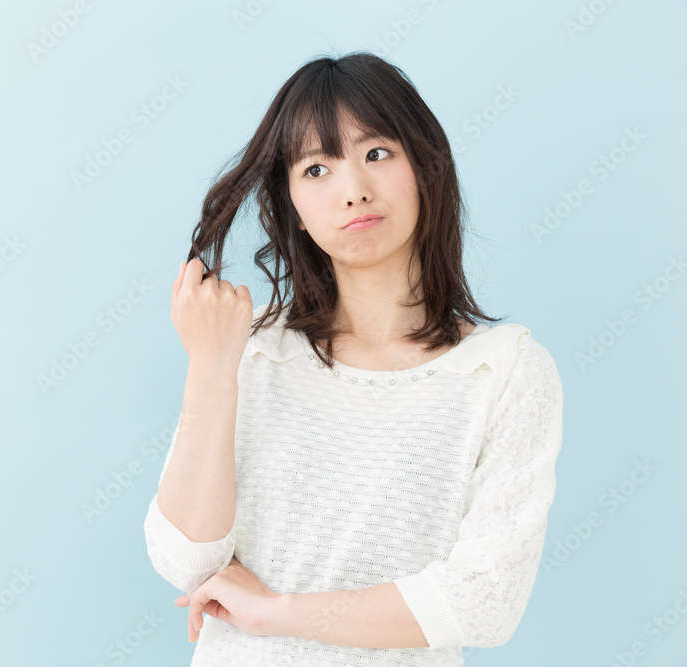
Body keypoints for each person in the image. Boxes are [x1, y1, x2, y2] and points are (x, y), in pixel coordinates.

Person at [142, 50, 564, 666]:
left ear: (424, 167)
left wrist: (277, 612)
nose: (353, 191)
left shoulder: (503, 372)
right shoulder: (253, 353)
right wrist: (211, 369)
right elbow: (187, 560)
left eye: (376, 153)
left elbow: (485, 602)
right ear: (292, 206)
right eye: (316, 169)